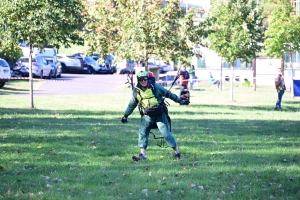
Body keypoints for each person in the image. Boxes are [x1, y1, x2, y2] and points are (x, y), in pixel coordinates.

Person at [121, 71, 189, 161]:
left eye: (145, 79)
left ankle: (177, 153)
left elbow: (169, 94)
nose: (143, 81)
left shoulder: (156, 87)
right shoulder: (136, 91)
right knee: (142, 133)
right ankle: (142, 155)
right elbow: (131, 105)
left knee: (166, 134)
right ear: (138, 80)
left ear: (148, 78)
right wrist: (125, 115)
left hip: (159, 114)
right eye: (141, 79)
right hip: (147, 116)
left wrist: (180, 101)